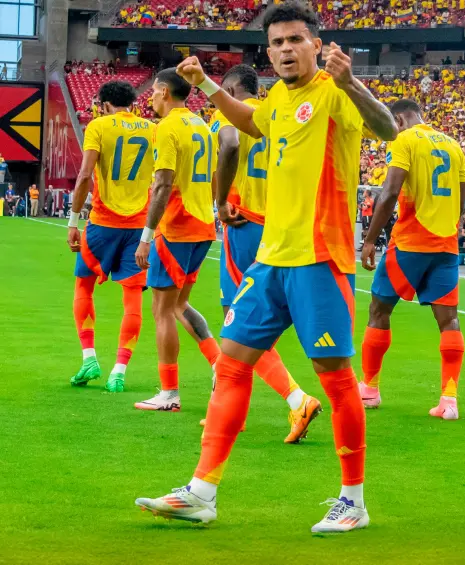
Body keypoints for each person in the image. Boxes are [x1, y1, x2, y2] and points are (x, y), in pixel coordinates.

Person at [134, 0, 397, 533]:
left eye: (295, 40)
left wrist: (354, 85)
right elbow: (250, 122)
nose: (284, 50)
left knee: (335, 379)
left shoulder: (333, 92)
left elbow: (388, 128)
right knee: (231, 364)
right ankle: (202, 492)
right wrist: (207, 86)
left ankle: (353, 501)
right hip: (271, 259)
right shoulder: (277, 96)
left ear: (316, 45)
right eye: (276, 42)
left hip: (320, 258)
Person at [208, 63, 321, 443]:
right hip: (280, 226)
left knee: (238, 322)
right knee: (252, 320)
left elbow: (230, 144)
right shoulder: (279, 111)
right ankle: (227, 411)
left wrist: (221, 202)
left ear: (230, 88)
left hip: (245, 224)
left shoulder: (232, 114)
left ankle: (296, 398)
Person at [358, 98, 465, 418]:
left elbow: (390, 192)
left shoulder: (403, 140)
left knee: (379, 309)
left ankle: (370, 389)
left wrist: (368, 240)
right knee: (449, 320)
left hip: (409, 243)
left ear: (399, 120)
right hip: (445, 246)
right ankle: (449, 400)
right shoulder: (453, 145)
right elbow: (462, 199)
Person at [132, 68, 220, 412]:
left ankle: (169, 393)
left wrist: (146, 236)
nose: (150, 97)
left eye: (154, 91)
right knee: (180, 305)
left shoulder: (167, 127)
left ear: (165, 91)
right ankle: (219, 364)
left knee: (162, 310)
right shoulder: (202, 124)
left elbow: (164, 184)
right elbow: (212, 175)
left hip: (177, 227)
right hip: (203, 225)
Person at [66, 81, 154, 392]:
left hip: (102, 223)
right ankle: (119, 371)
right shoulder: (151, 129)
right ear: (133, 103)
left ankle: (89, 357)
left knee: (83, 286)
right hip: (138, 227)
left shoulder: (99, 126)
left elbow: (86, 174)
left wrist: (73, 221)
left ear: (103, 104)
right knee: (132, 299)